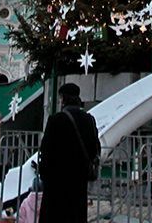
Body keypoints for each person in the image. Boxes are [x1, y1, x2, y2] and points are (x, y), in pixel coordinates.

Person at [37, 83, 100, 223]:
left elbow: (46, 150)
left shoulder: (56, 120)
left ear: (63, 99)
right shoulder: (89, 120)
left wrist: (44, 173)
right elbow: (95, 148)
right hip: (79, 180)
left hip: (57, 181)